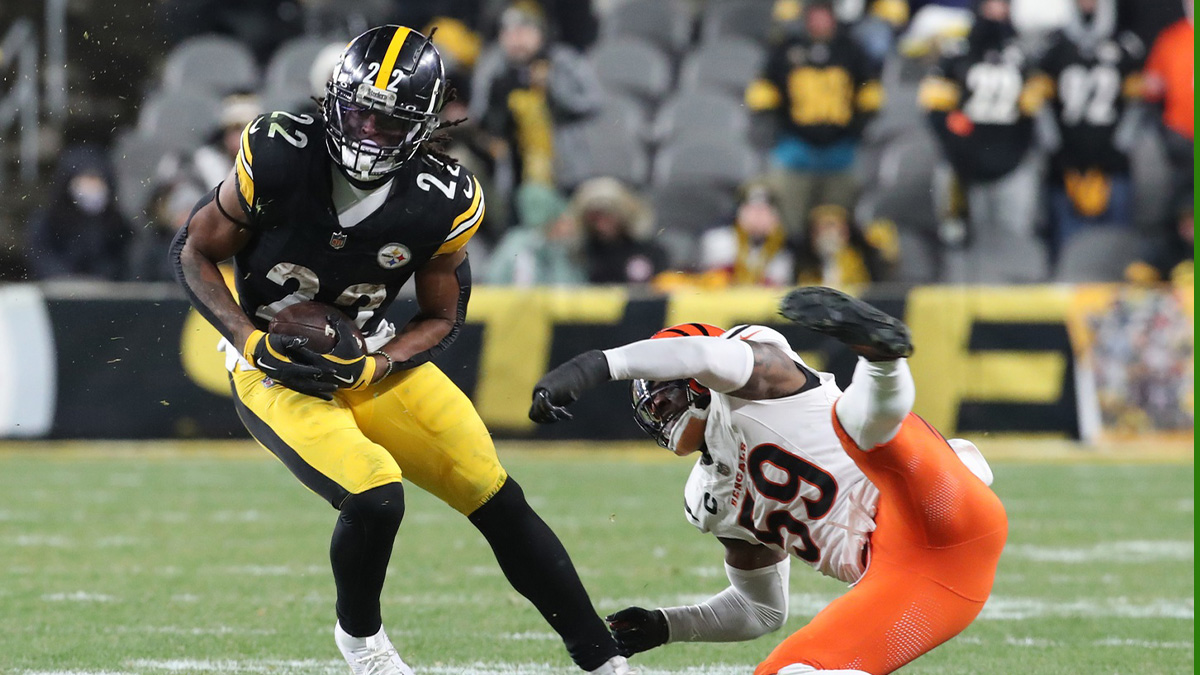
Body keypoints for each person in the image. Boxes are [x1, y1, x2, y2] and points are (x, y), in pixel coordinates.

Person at [169, 25, 630, 675]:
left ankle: (604, 659)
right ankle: (361, 640)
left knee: (494, 493)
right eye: (357, 114)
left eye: (389, 124)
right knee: (375, 493)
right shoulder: (277, 151)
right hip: (273, 365)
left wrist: (378, 363)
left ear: (424, 126)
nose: (367, 135)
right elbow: (193, 247)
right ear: (332, 103)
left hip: (370, 353)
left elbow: (445, 313)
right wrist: (250, 339)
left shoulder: (445, 197)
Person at [528, 286, 1007, 675]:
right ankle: (880, 366)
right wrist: (666, 626)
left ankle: (880, 361)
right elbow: (760, 610)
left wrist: (596, 365)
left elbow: (704, 354)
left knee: (854, 424)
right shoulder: (707, 497)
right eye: (648, 403)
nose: (655, 408)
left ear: (694, 380)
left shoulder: (754, 377)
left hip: (938, 503)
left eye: (661, 391)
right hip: (911, 578)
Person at [919, 0, 1047, 263]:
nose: (998, 10)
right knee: (961, 244)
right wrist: (957, 139)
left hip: (1012, 161)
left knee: (1014, 241)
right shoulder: (957, 51)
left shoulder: (1022, 53)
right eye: (992, 4)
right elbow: (933, 108)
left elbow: (1033, 110)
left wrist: (1019, 148)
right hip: (965, 165)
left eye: (1003, 4)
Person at [746, 0, 884, 234]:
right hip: (795, 150)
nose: (820, 22)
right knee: (790, 225)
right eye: (815, 16)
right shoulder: (786, 49)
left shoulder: (850, 50)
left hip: (840, 152)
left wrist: (858, 126)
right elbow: (763, 92)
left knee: (836, 223)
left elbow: (870, 92)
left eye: (825, 16)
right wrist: (774, 125)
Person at [1037, 0, 1145, 255]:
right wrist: (1052, 144)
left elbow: (1138, 104)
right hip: (1066, 163)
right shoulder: (1054, 44)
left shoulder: (1126, 44)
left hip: (1112, 162)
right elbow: (1040, 103)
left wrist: (1122, 143)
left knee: (1115, 246)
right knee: (1068, 247)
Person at [469, 1, 603, 191]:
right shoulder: (492, 68)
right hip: (511, 172)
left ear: (541, 33)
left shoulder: (564, 61)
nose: (517, 39)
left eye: (524, 31)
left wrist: (553, 90)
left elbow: (593, 103)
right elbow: (479, 116)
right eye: (509, 32)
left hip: (565, 168)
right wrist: (498, 97)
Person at [26, 147, 132, 281]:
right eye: (86, 179)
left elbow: (122, 259)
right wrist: (67, 280)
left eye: (96, 179)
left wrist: (100, 280)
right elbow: (41, 257)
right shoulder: (47, 221)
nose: (92, 186)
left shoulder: (117, 223)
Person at [572, 177, 667, 285]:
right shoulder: (581, 256)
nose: (601, 225)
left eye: (607, 216)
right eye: (594, 218)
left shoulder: (650, 253)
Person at [699, 181, 794, 287]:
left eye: (764, 211)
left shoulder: (782, 251)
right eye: (752, 210)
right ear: (740, 213)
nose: (757, 217)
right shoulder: (719, 240)